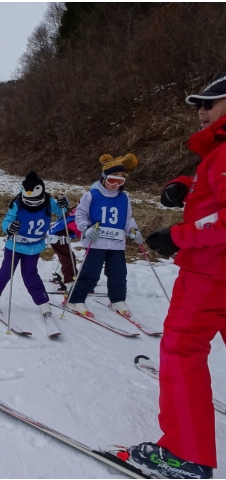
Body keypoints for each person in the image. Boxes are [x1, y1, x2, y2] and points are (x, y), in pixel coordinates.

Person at [122, 73, 226, 480]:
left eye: (209, 103)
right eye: (198, 104)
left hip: (210, 272)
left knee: (182, 352)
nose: (200, 111)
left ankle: (186, 455)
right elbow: (214, 192)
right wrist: (184, 186)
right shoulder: (216, 154)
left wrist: (178, 236)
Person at [0, 171, 68, 321]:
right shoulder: (17, 203)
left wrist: (64, 204)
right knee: (6, 272)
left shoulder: (48, 201)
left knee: (31, 275)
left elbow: (62, 211)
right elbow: (6, 221)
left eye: (36, 200)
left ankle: (43, 302)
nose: (33, 203)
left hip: (35, 246)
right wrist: (9, 228)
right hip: (15, 245)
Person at [66, 154, 142, 318]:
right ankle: (76, 299)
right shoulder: (92, 195)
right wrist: (86, 229)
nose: (115, 185)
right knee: (90, 273)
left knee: (118, 273)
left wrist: (133, 231)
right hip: (96, 241)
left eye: (120, 182)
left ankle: (117, 300)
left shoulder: (124, 197)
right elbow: (80, 215)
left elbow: (128, 218)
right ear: (104, 178)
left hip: (116, 243)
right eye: (112, 180)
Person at [47, 204, 81, 291]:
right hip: (58, 239)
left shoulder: (72, 213)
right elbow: (80, 232)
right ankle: (69, 281)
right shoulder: (75, 219)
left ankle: (64, 275)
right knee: (68, 259)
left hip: (57, 237)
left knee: (66, 257)